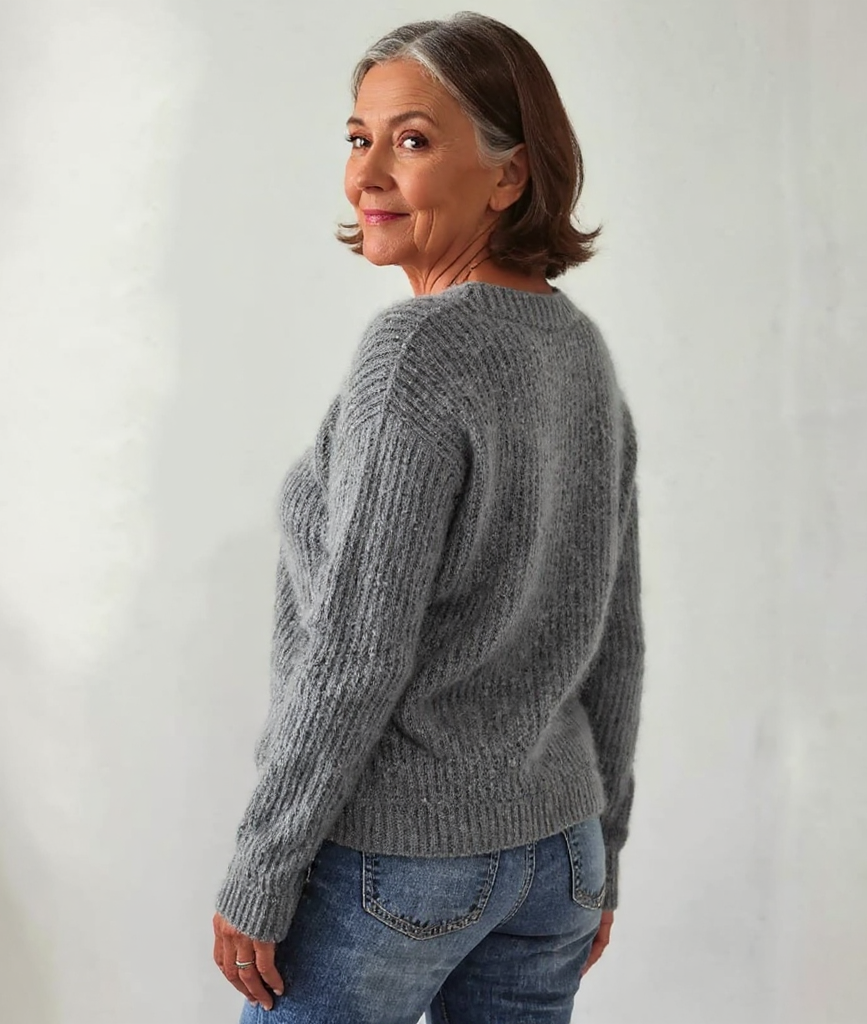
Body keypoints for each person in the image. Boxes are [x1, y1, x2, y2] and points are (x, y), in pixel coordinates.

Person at [212, 11, 645, 1023]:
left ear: (508, 175)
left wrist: (262, 864)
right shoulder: (578, 350)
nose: (364, 176)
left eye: (410, 141)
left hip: (403, 861)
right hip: (558, 852)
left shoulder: (414, 353)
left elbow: (355, 651)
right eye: (357, 138)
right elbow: (616, 636)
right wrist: (604, 858)